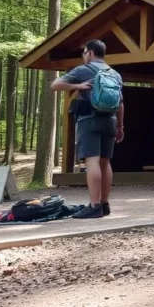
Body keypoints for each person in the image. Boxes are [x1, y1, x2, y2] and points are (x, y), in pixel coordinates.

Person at [50, 39, 124, 219]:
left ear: (89, 52)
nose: (84, 56)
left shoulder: (84, 70)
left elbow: (55, 85)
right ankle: (105, 204)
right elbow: (121, 103)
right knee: (105, 163)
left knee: (92, 162)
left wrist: (77, 86)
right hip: (110, 120)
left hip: (89, 119)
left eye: (84, 53)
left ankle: (94, 205)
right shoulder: (115, 74)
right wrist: (120, 126)